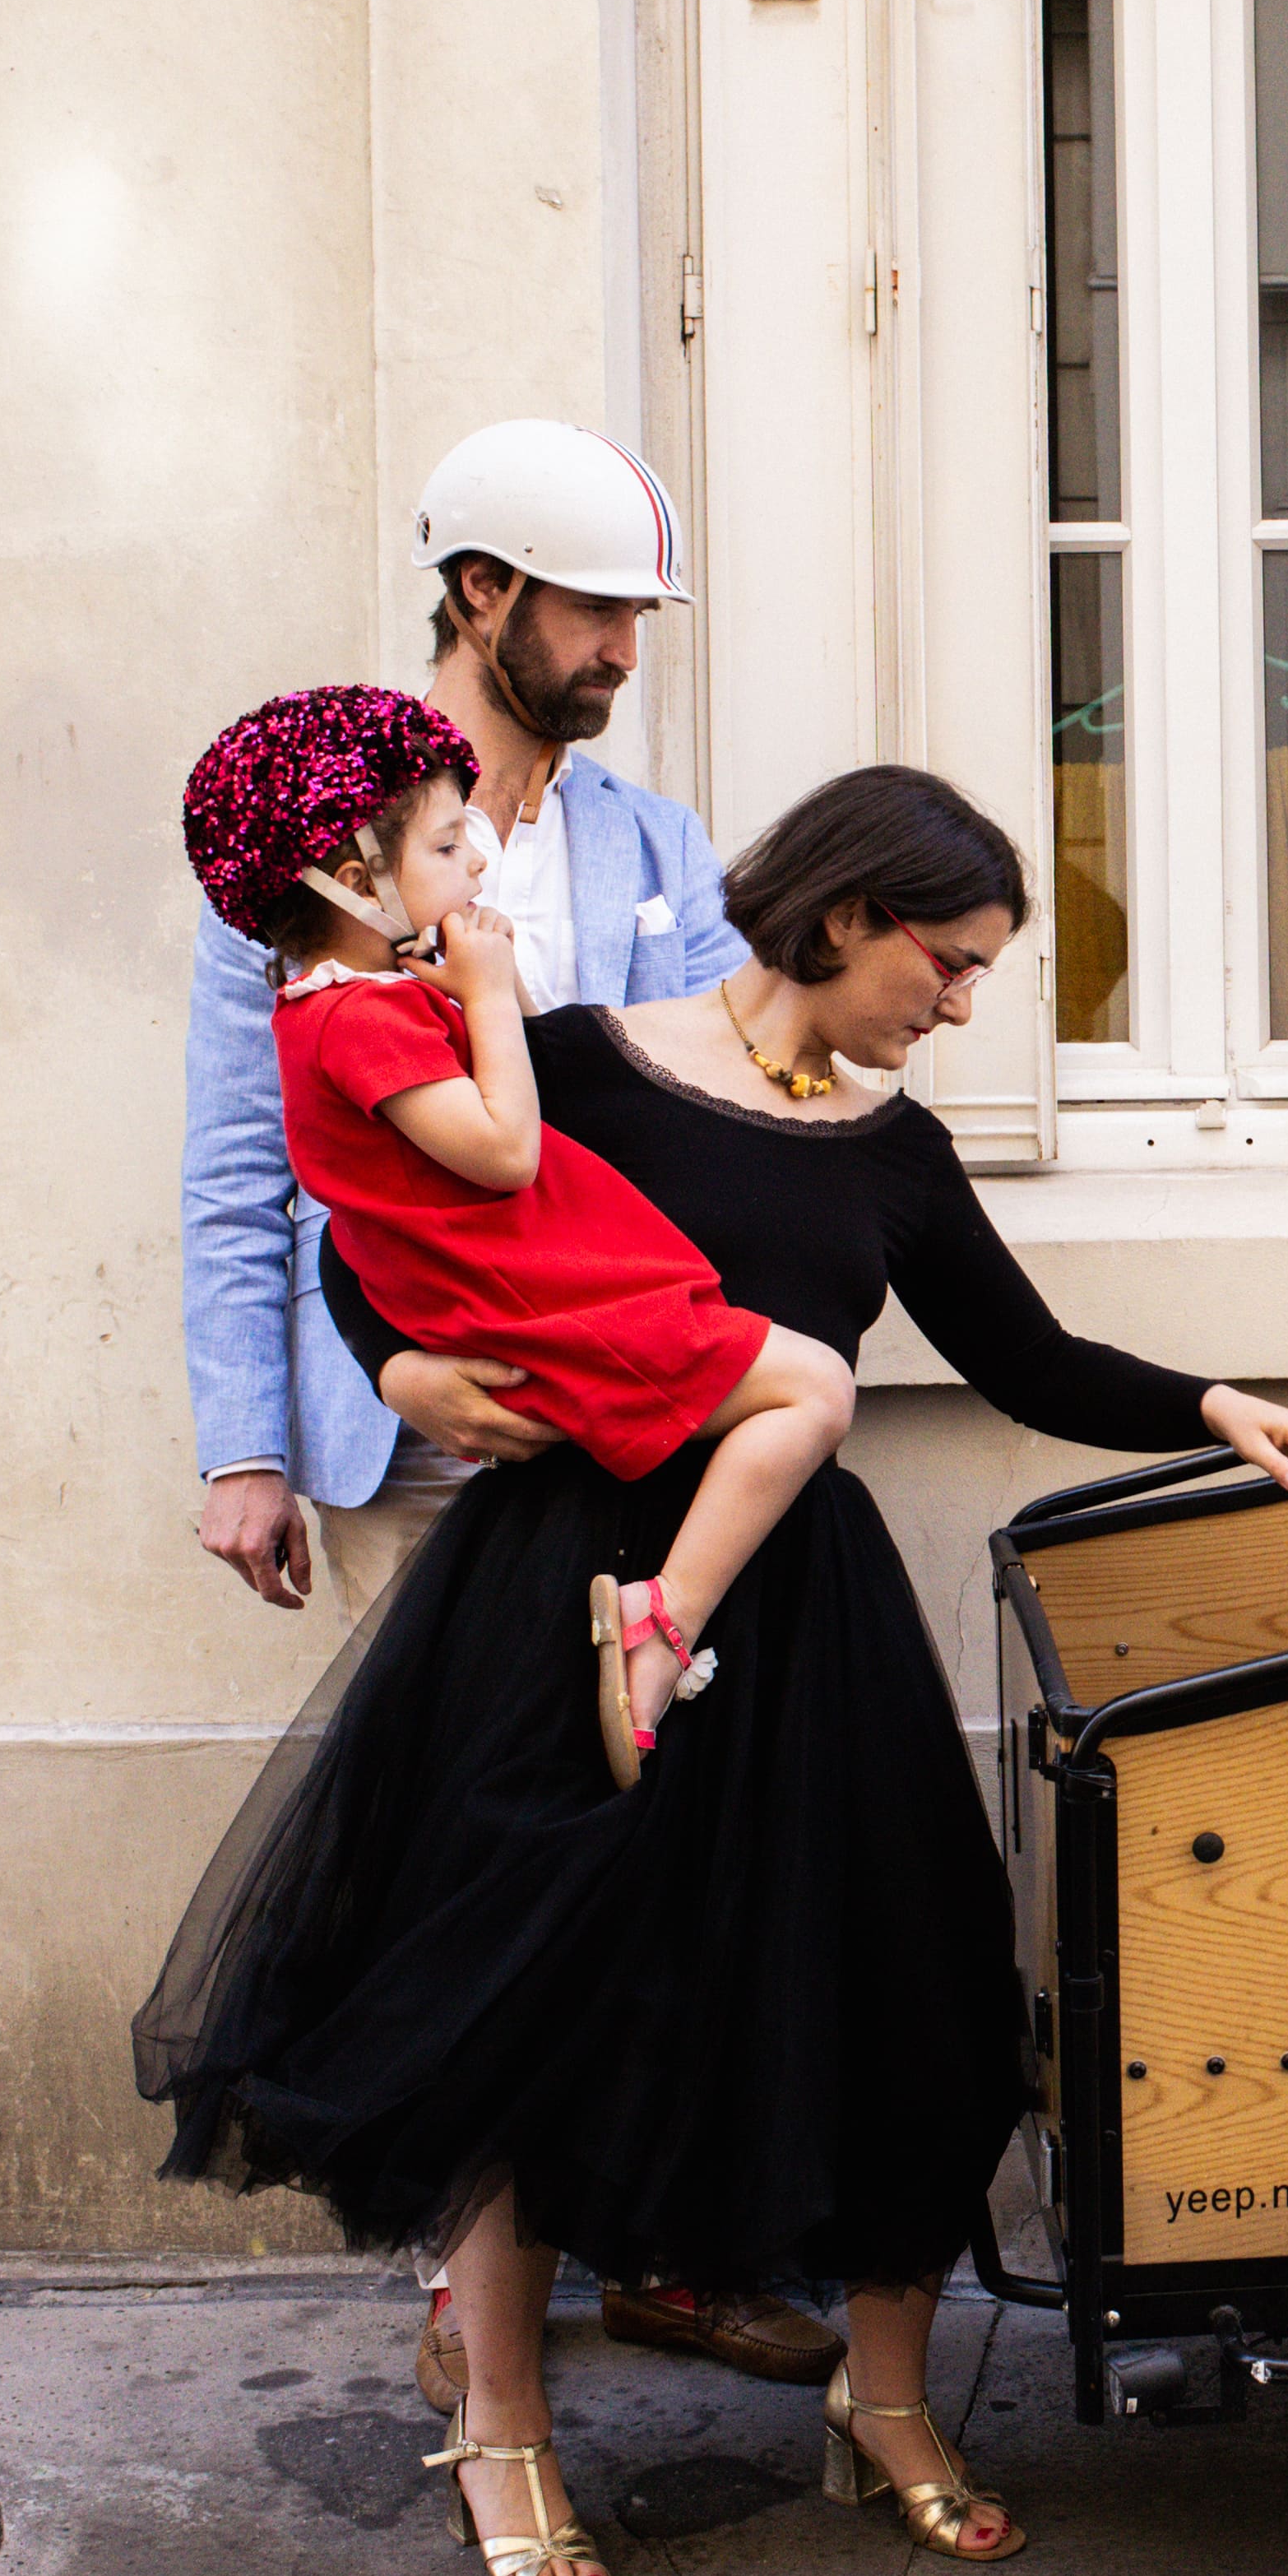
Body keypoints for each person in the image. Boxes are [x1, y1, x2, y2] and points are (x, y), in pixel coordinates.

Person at [140, 762, 1288, 2576]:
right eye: (942, 965)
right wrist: (394, 1380)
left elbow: (1019, 1353)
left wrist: (1209, 1404)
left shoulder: (893, 1146)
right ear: (848, 915)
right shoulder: (581, 1060)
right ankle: (506, 2425)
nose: (956, 1007)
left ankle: (883, 2402)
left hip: (800, 1617)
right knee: (521, 2001)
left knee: (905, 1992)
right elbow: (389, 1239)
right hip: (558, 1586)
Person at [174, 415, 840, 2399]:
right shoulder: (332, 849)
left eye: (641, 612)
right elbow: (254, 1160)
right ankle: (476, 2310)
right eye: (599, 610)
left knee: (656, 1851)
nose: (628, 647)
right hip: (427, 1441)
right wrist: (270, 1426)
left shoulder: (645, 844)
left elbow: (724, 1110)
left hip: (632, 1412)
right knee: (477, 1866)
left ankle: (656, 2239)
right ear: (483, 594)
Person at [182, 685, 862, 1783]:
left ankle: (649, 1632)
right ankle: (662, 1627)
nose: (478, 869)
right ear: (352, 881)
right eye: (451, 845)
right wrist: (491, 997)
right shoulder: (350, 1013)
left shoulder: (391, 984)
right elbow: (497, 1152)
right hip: (534, 1327)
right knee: (816, 1391)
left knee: (543, 1763)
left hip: (568, 1302)